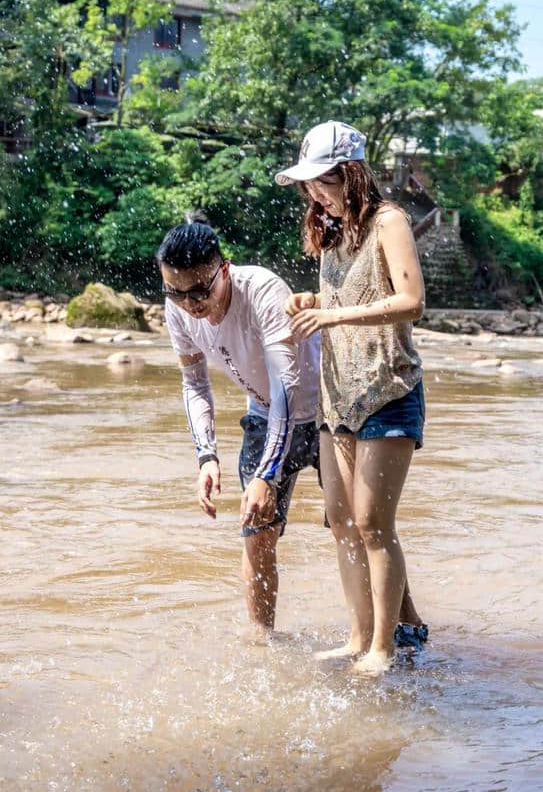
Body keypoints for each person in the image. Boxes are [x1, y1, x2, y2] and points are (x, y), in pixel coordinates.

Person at [276, 121, 428, 674]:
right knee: (339, 521)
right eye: (308, 186)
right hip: (339, 395)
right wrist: (312, 299)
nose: (314, 194)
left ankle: (384, 649)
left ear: (352, 173)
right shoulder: (333, 231)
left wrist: (332, 313)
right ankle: (358, 636)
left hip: (389, 390)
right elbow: (350, 295)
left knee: (373, 525)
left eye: (323, 182)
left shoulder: (390, 222)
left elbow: (410, 301)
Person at [157, 217, 320, 640]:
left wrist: (267, 474)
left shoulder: (263, 291)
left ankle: (402, 623)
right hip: (264, 415)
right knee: (256, 531)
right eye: (175, 292)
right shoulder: (177, 312)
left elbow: (287, 388)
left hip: (324, 414)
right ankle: (261, 641)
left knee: (357, 524)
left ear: (223, 270)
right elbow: (193, 383)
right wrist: (206, 456)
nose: (190, 304)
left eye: (199, 291)